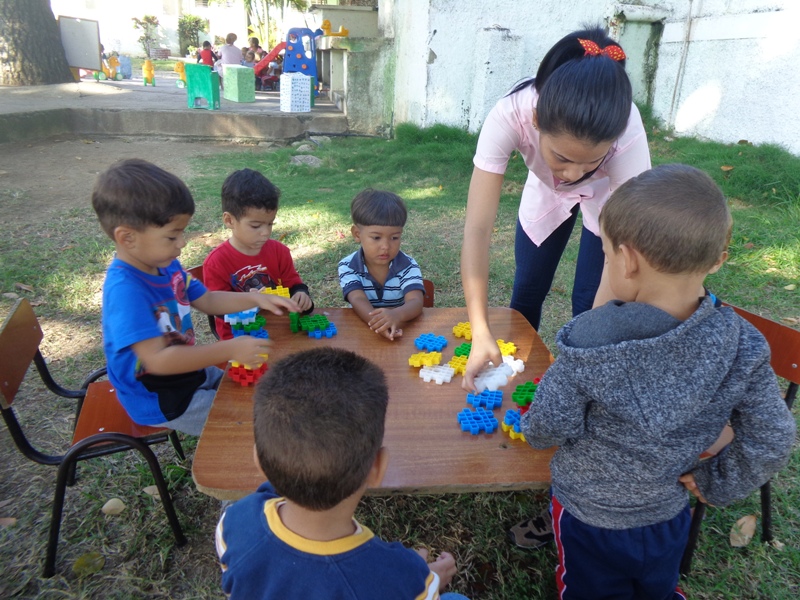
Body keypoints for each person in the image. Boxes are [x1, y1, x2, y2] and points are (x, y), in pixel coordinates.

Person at [520, 164, 796, 599]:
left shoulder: (586, 343)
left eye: (607, 255)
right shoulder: (743, 344)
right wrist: (715, 482)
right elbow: (774, 437)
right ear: (718, 260)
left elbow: (547, 429)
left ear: (627, 260)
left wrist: (531, 427)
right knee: (656, 586)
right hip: (667, 516)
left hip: (588, 516)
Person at [461, 27, 651, 391]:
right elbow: (477, 230)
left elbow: (622, 255)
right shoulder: (510, 115)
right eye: (562, 157)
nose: (574, 174)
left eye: (591, 161)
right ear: (536, 123)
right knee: (529, 287)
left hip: (607, 198)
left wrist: (587, 355)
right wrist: (481, 331)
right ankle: (517, 371)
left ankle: (581, 377)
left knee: (588, 301)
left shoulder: (626, 131)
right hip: (544, 192)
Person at [216, 347, 467, 599]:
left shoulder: (234, 522)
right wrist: (430, 577)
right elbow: (412, 588)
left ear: (258, 459)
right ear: (377, 469)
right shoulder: (399, 574)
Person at [91, 159, 299, 436]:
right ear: (127, 238)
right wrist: (229, 349)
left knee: (258, 397)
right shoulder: (126, 291)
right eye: (172, 236)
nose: (182, 243)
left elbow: (209, 301)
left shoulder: (166, 265)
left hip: (189, 371)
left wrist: (257, 300)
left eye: (182, 233)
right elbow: (159, 361)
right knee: (250, 426)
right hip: (161, 397)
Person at [203, 168, 313, 340]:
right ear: (229, 220)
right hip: (238, 338)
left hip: (279, 329)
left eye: (270, 224)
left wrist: (301, 294)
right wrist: (250, 302)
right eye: (255, 226)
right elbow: (218, 310)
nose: (265, 233)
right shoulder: (217, 262)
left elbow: (293, 283)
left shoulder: (279, 251)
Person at [338, 189, 424, 341]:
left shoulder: (408, 266)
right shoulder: (348, 266)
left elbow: (416, 301)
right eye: (376, 237)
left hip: (403, 332)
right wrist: (379, 323)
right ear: (357, 234)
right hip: (364, 333)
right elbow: (357, 299)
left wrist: (396, 315)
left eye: (394, 237)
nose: (385, 246)